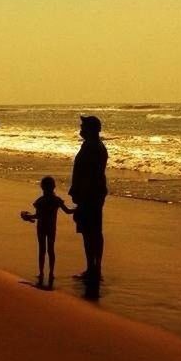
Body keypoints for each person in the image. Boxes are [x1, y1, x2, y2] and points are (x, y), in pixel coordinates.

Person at [69, 115, 108, 285]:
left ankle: (94, 269)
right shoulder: (91, 145)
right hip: (91, 194)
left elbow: (90, 175)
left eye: (83, 126)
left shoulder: (94, 147)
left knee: (92, 231)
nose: (81, 128)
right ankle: (92, 268)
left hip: (90, 195)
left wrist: (81, 194)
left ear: (92, 129)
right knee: (89, 232)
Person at [21, 176, 74, 288]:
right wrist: (79, 208)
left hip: (41, 227)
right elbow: (68, 211)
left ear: (42, 187)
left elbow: (37, 216)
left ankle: (41, 272)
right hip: (51, 227)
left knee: (42, 250)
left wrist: (27, 216)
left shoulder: (40, 201)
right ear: (54, 187)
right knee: (51, 249)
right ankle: (51, 272)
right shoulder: (57, 200)